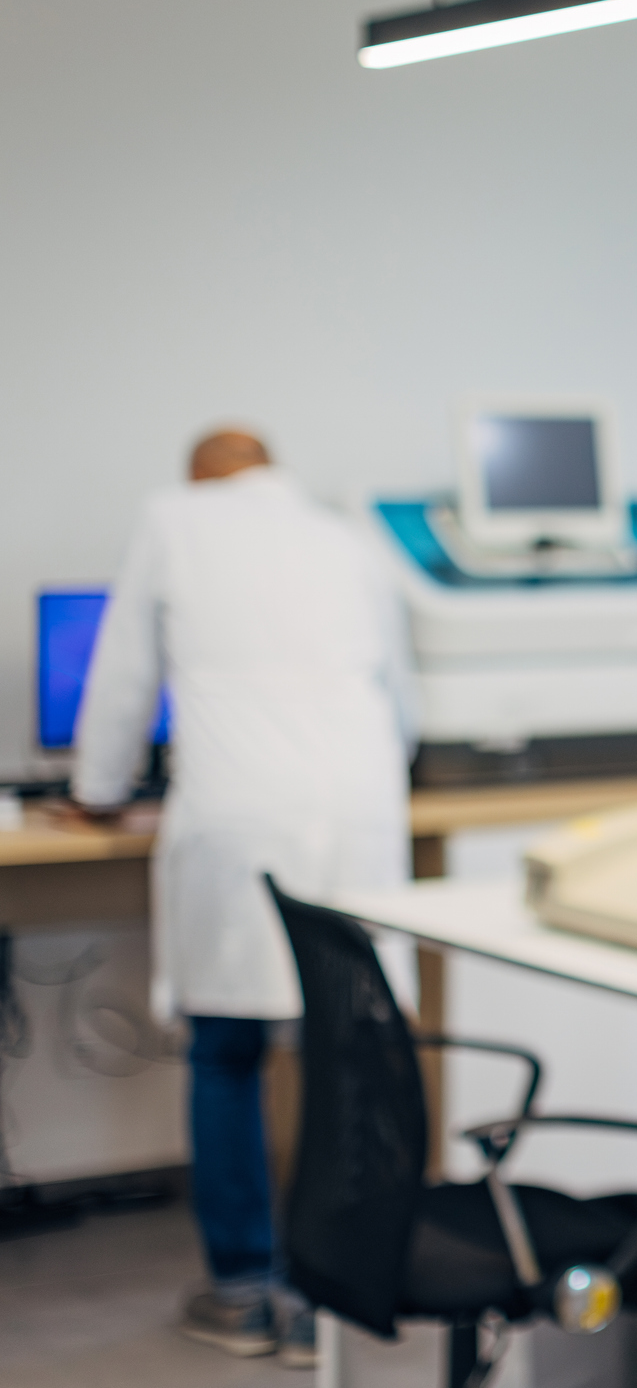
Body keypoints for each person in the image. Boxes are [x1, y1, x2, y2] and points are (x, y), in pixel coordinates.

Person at [71, 429, 418, 1366]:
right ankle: (323, 1300)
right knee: (336, 1049)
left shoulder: (173, 519)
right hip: (356, 810)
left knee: (227, 1052)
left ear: (200, 476)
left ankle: (243, 1292)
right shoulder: (349, 537)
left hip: (237, 811)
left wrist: (97, 792)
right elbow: (402, 697)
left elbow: (123, 678)